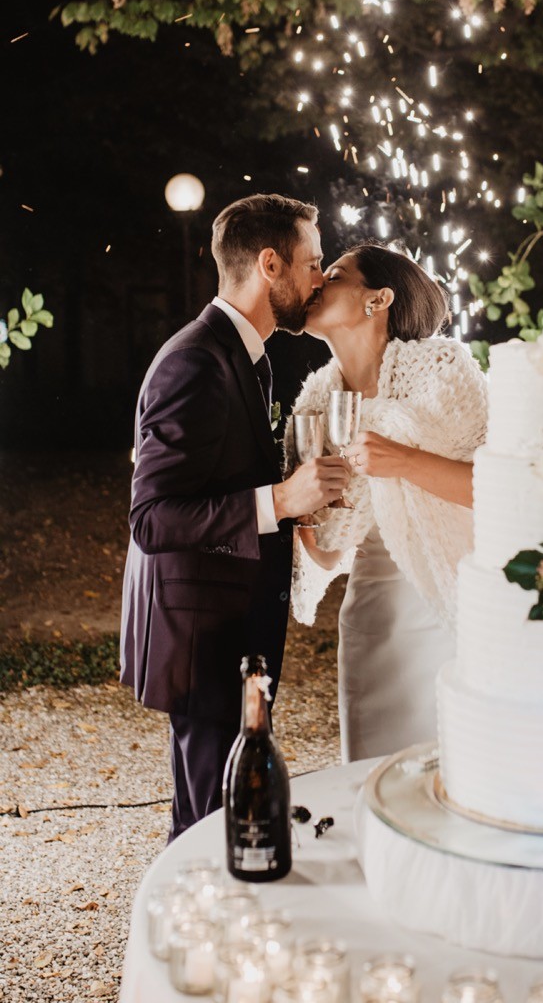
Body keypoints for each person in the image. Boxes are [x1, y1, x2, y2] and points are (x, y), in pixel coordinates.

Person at [120, 193, 351, 840]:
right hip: (201, 639)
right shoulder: (194, 361)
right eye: (313, 263)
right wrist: (280, 501)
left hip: (232, 633)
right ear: (270, 264)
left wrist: (299, 501)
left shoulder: (247, 355)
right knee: (203, 831)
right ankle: (190, 939)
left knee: (220, 819)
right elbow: (153, 518)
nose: (320, 279)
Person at [284, 242, 488, 762]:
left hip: (449, 611)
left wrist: (400, 460)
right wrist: (304, 503)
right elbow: (327, 556)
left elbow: (495, 492)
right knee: (371, 783)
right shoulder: (312, 406)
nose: (316, 283)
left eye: (333, 274)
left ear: (377, 300)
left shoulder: (443, 369)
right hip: (370, 622)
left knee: (452, 777)